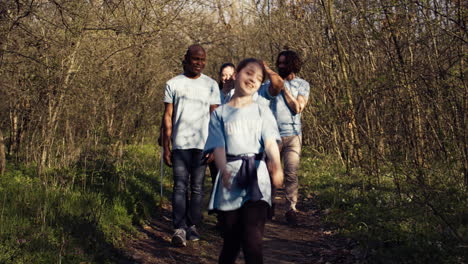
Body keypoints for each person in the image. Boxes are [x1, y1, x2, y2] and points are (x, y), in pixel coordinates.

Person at [205, 58, 284, 264]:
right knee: (231, 241)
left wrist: (276, 164)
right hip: (229, 180)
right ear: (237, 74)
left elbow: (269, 140)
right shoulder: (220, 113)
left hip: (257, 179)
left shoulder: (262, 110)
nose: (253, 80)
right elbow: (218, 145)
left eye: (259, 78)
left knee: (253, 240)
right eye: (249, 73)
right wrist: (222, 168)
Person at [162, 44, 220, 247]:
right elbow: (168, 116)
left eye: (203, 59)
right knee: (180, 186)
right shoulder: (173, 83)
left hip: (202, 145)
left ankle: (192, 225)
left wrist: (215, 145)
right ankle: (179, 227)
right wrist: (166, 146)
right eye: (195, 59)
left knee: (197, 188)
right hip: (180, 144)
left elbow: (215, 117)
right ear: (186, 60)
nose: (199, 63)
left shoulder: (211, 84)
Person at [269, 50, 310, 225]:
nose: (281, 66)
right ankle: (268, 206)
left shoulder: (303, 85)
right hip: (272, 135)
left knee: (291, 173)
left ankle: (291, 209)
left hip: (293, 136)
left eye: (285, 63)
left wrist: (284, 88)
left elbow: (298, 108)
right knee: (271, 173)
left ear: (293, 65)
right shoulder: (270, 84)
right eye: (279, 63)